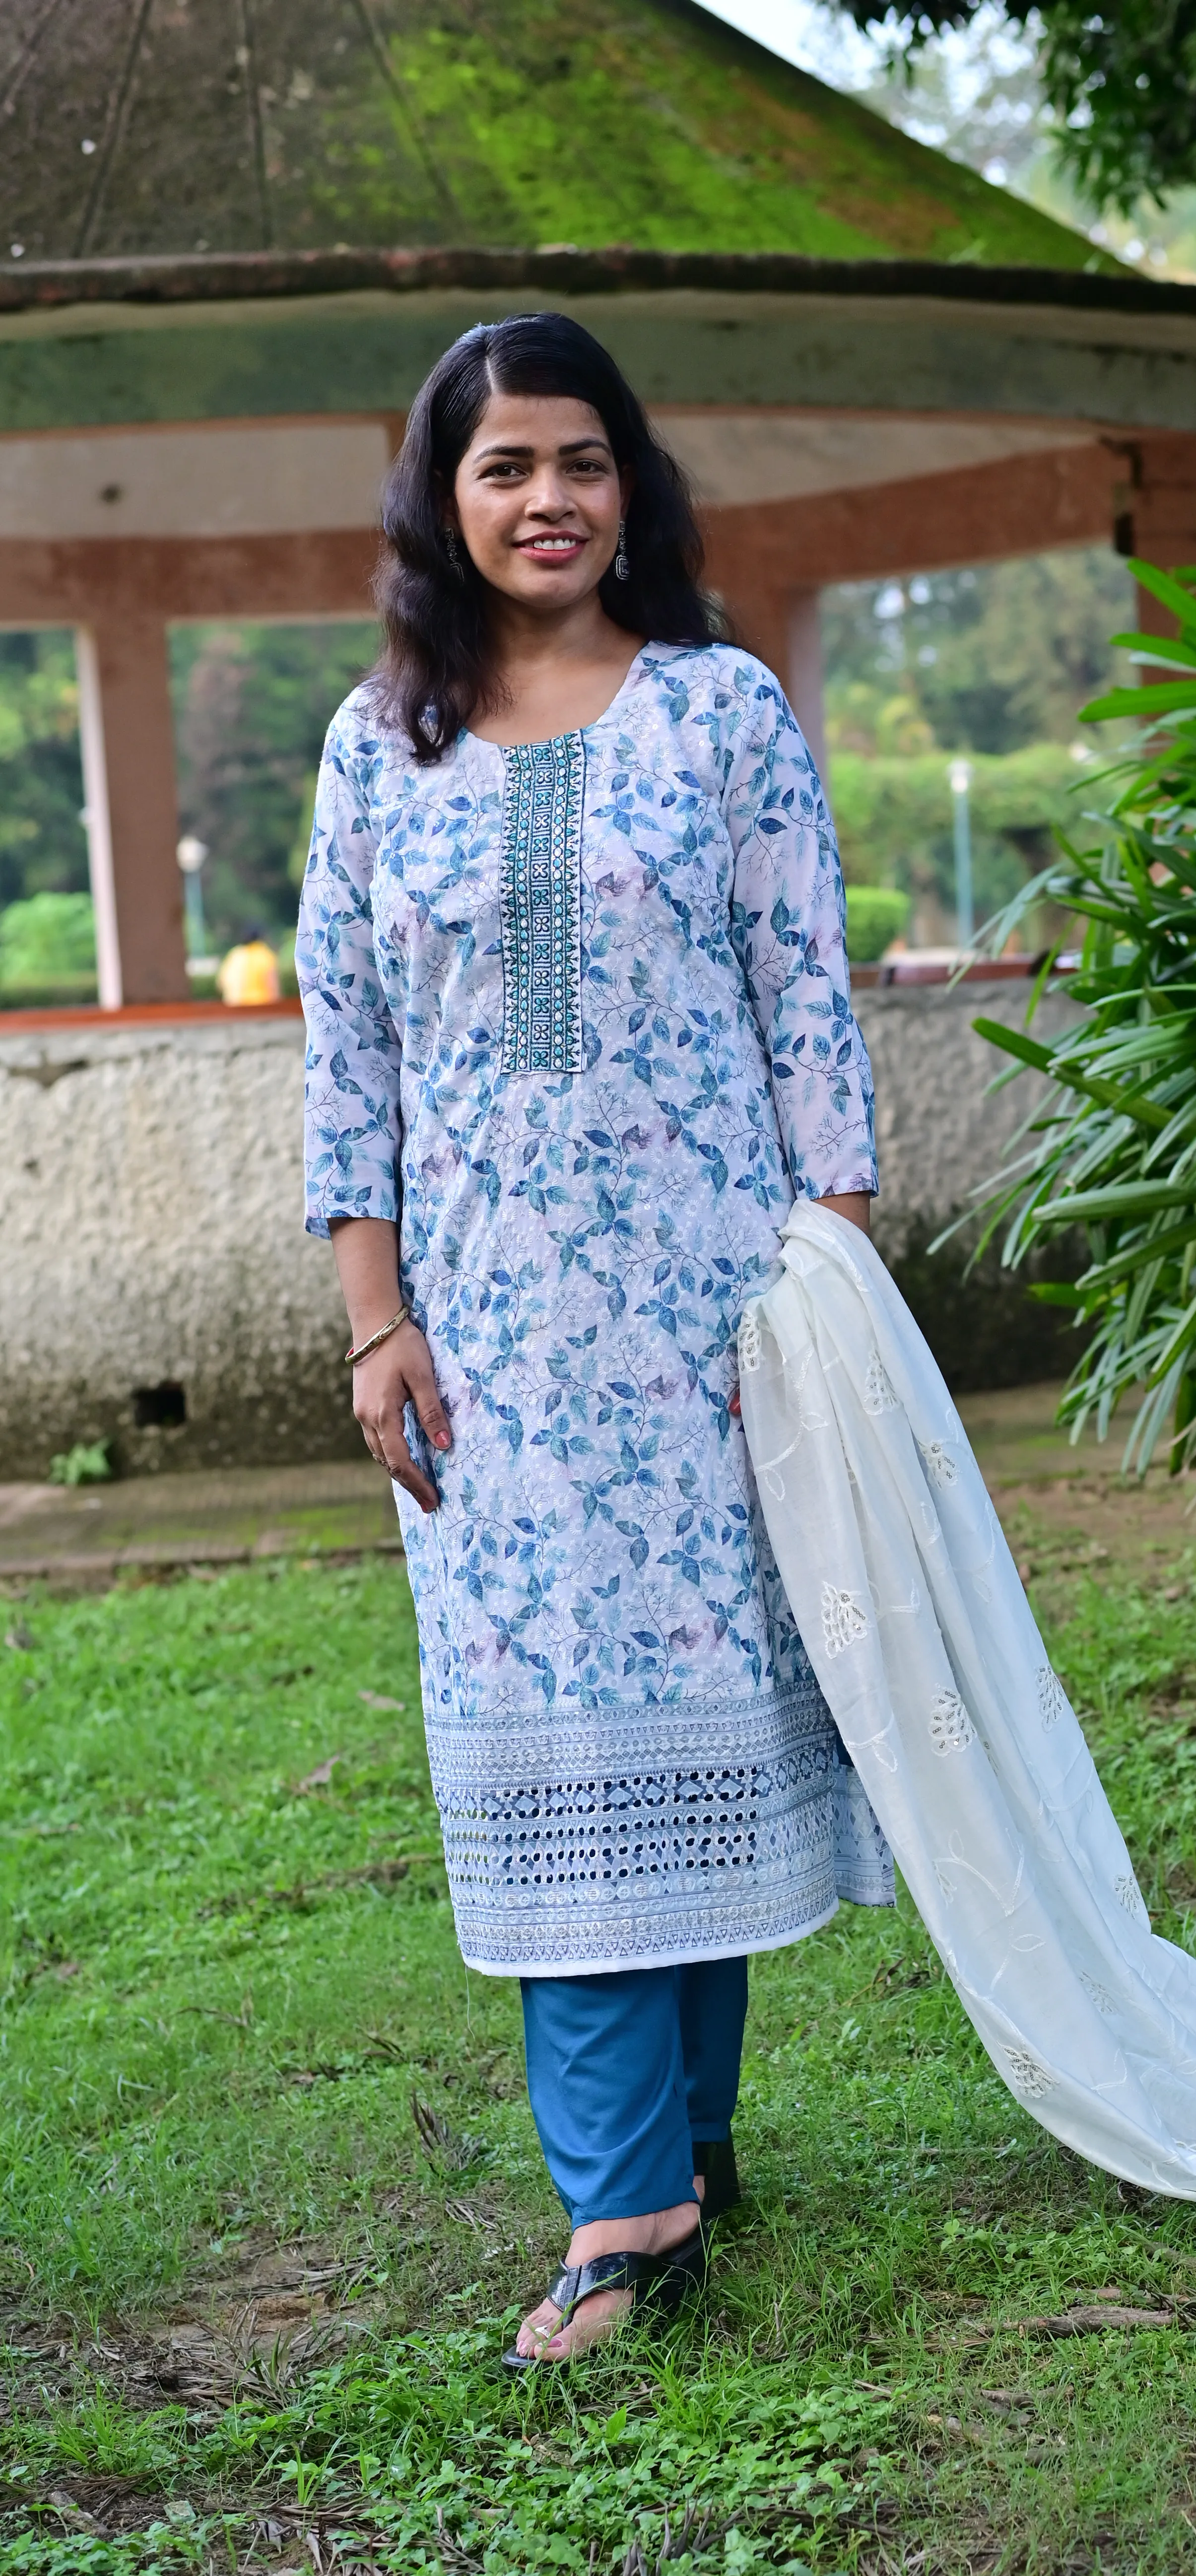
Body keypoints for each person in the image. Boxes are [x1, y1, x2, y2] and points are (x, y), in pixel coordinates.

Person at [296, 313, 890, 2372]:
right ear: (440, 501)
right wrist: (376, 1323)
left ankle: (677, 2165)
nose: (546, 499)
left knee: (697, 1712)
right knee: (547, 1732)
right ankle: (628, 2194)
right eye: (503, 466)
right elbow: (349, 1054)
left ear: (629, 486)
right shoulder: (380, 746)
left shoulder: (721, 710)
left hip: (710, 1321)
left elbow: (806, 1002)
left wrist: (826, 1287)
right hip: (489, 1347)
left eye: (579, 460)